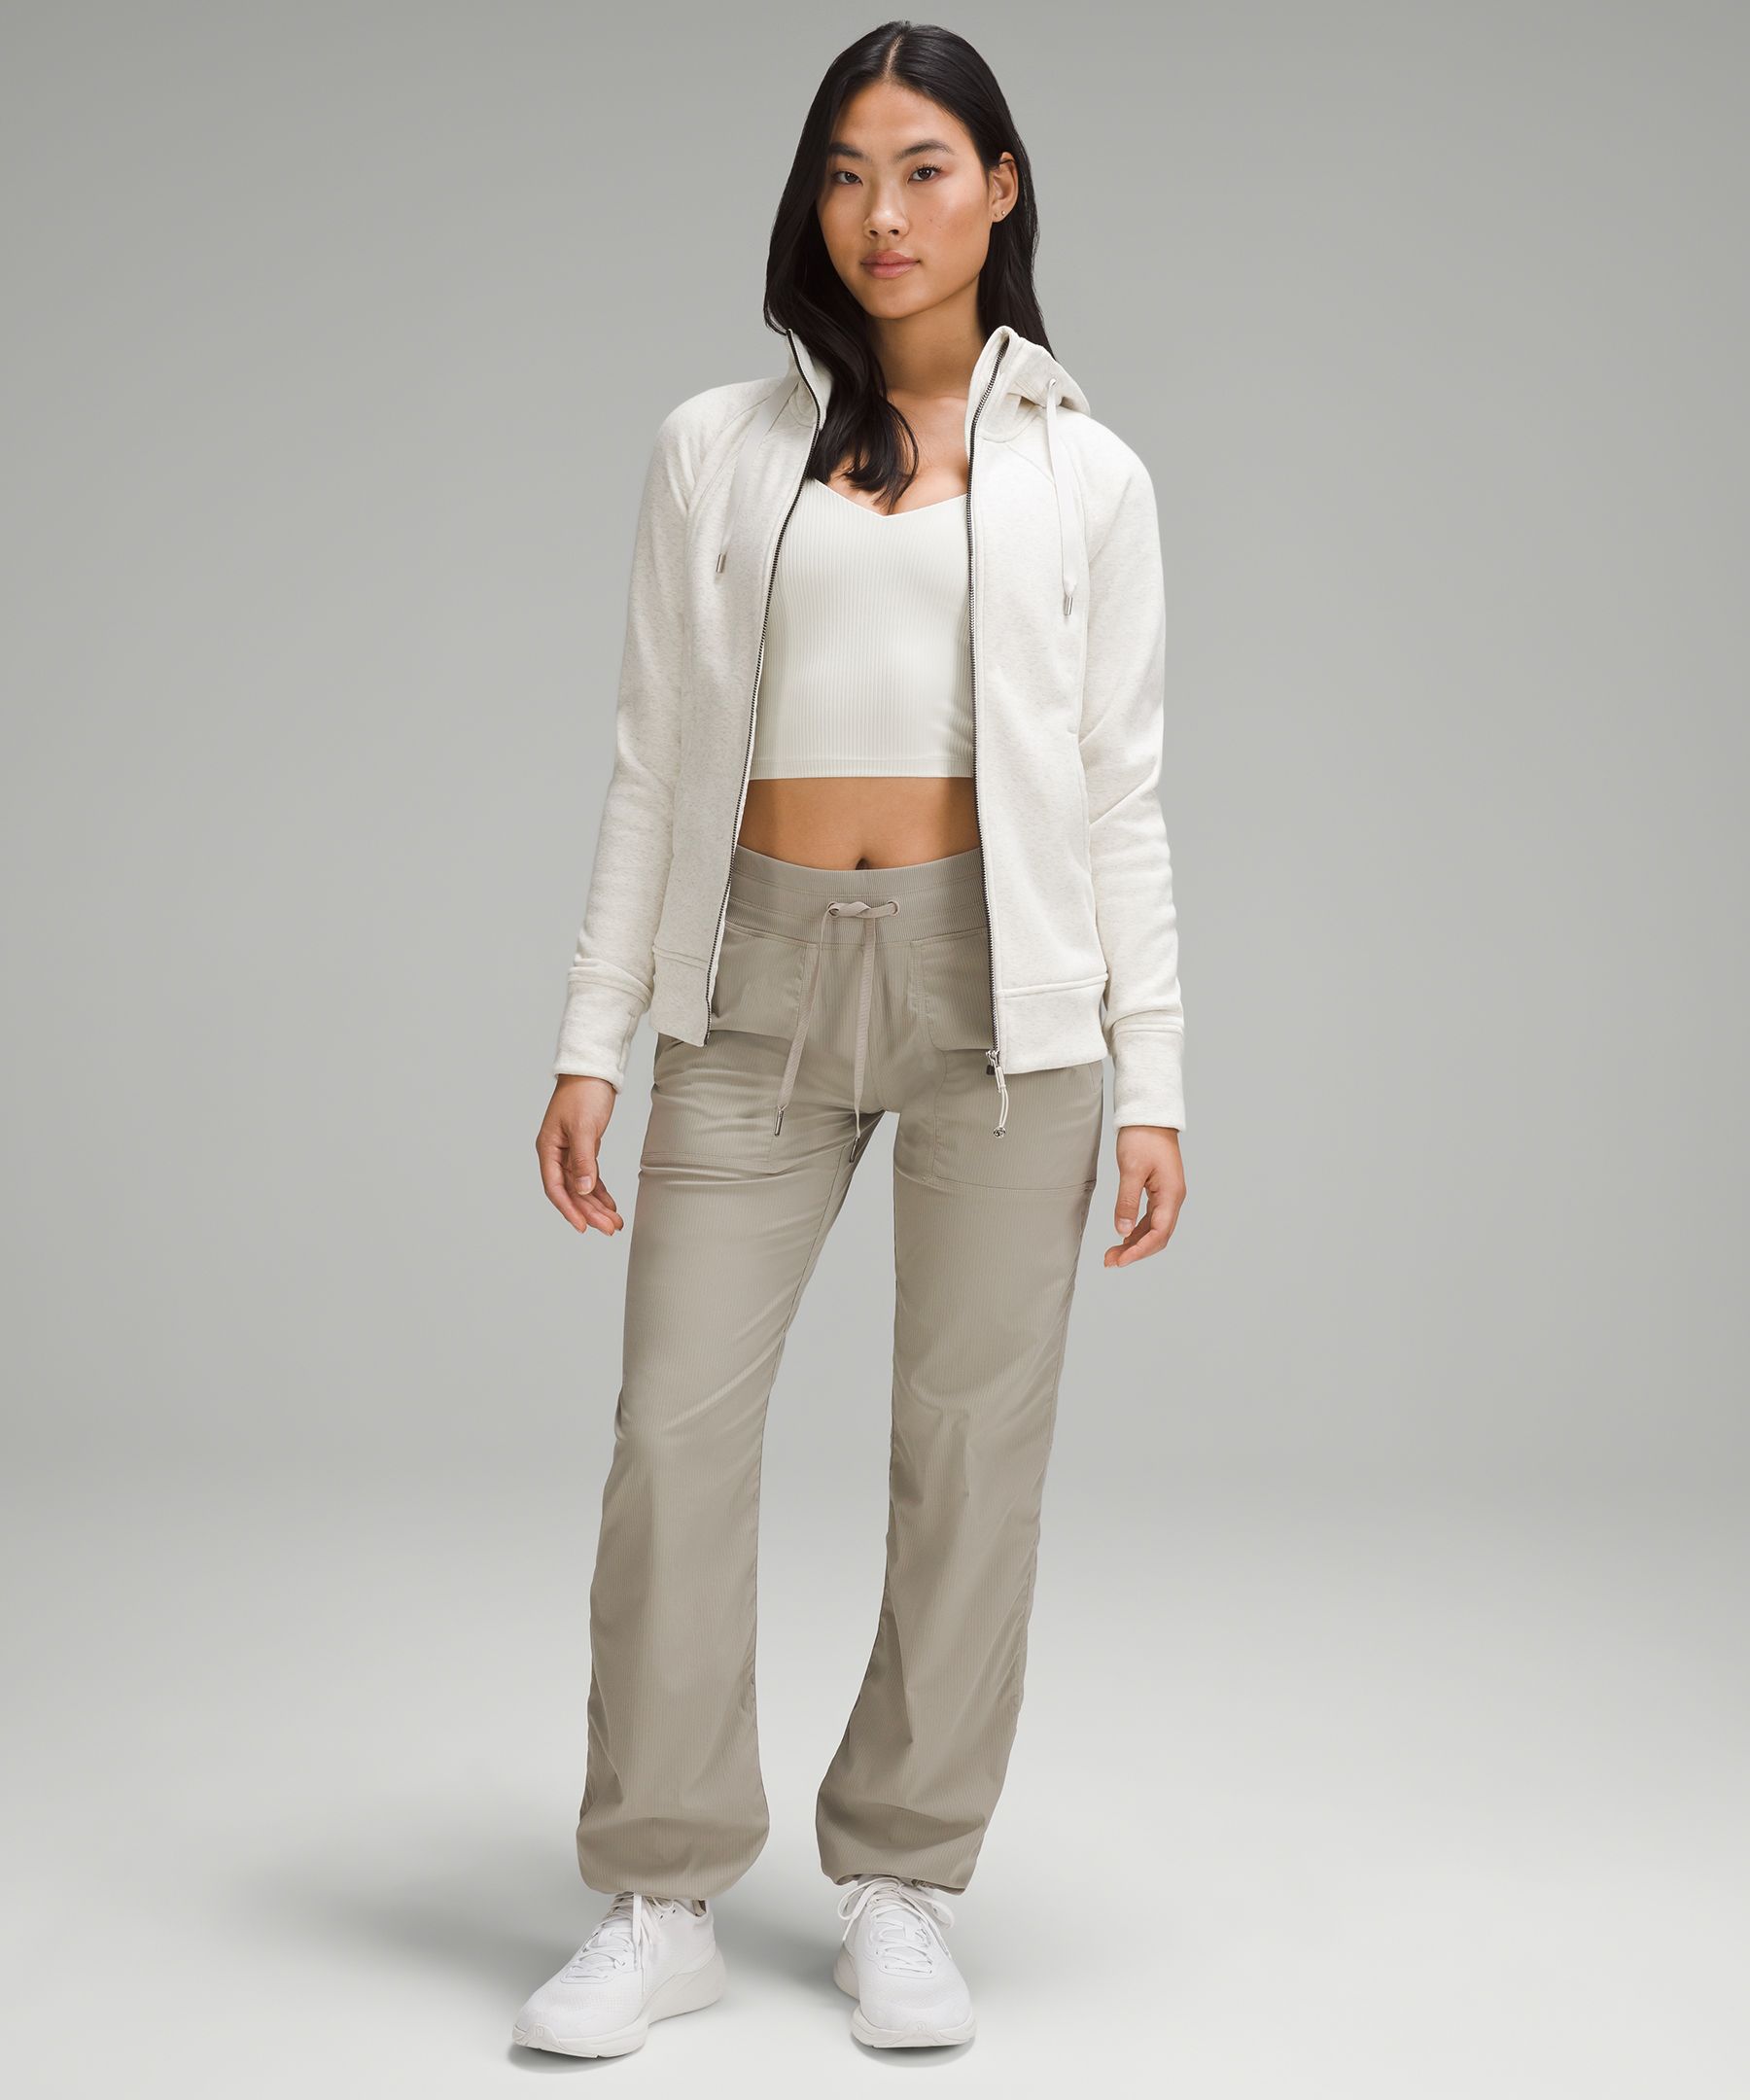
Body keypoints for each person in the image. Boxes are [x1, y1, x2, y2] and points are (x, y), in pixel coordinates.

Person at [514, 19, 1187, 2059]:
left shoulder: (1089, 475)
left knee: (971, 1449)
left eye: (921, 167)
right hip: (756, 973)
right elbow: (653, 761)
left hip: (1008, 993)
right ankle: (660, 1896)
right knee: (672, 1433)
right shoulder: (717, 449)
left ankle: (902, 1878)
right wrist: (593, 1034)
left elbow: (1124, 793)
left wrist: (1153, 1075)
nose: (879, 212)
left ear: (1001, 189)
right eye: (843, 170)